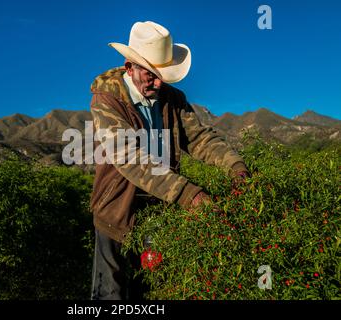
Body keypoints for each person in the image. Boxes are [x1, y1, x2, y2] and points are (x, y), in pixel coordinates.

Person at [89, 21, 249, 300]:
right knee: (110, 293)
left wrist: (235, 166)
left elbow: (200, 138)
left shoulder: (173, 99)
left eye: (162, 74)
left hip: (159, 211)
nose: (159, 82)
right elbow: (129, 158)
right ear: (130, 68)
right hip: (115, 210)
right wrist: (191, 195)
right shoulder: (108, 100)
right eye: (151, 74)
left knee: (153, 290)